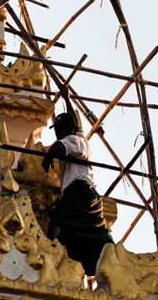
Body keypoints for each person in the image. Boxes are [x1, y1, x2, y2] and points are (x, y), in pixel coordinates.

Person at [40, 111, 113, 278]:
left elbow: (59, 147)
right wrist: (66, 96)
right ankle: (106, 258)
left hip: (79, 191)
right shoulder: (80, 138)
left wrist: (48, 156)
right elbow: (78, 125)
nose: (57, 133)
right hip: (89, 195)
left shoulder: (72, 141)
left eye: (59, 129)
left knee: (58, 218)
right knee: (95, 233)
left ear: (66, 129)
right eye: (57, 129)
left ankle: (46, 246)